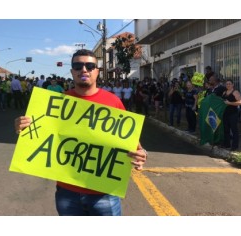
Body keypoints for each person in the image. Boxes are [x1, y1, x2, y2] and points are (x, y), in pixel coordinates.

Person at [14, 49, 147, 216]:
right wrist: (22, 128)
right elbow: (40, 137)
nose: (84, 70)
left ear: (97, 72)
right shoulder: (57, 103)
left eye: (90, 66)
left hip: (104, 194)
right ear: (72, 72)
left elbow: (132, 143)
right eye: (78, 66)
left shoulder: (113, 101)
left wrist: (141, 154)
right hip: (67, 194)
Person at [221, 79, 241, 151]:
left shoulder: (235, 92)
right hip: (225, 113)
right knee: (226, 129)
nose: (228, 85)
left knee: (234, 130)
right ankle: (227, 144)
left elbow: (240, 102)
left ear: (233, 85)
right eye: (227, 84)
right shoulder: (224, 92)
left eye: (229, 84)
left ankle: (234, 146)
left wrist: (229, 103)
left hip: (233, 113)